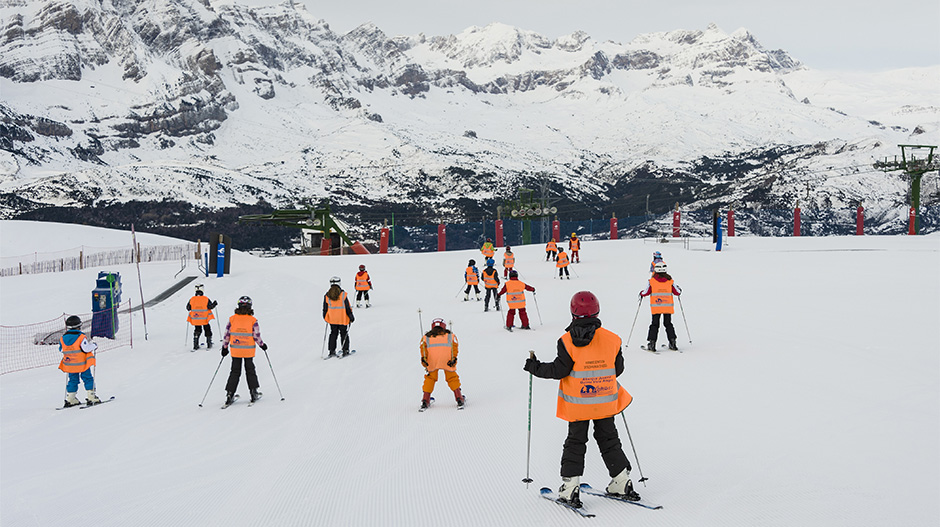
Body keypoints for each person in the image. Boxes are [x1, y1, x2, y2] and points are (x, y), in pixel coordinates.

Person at [523, 291, 639, 508]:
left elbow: (559, 370)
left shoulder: (566, 341)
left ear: (573, 312)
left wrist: (534, 367)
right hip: (605, 402)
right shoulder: (612, 339)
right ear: (597, 311)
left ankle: (570, 488)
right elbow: (618, 369)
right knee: (609, 439)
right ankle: (622, 482)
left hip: (578, 405)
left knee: (576, 442)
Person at [221, 296, 267, 405]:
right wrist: (262, 345)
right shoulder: (252, 320)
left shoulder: (232, 319)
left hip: (236, 350)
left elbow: (227, 334)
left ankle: (230, 393)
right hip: (248, 351)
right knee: (250, 370)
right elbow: (256, 335)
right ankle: (253, 392)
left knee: (235, 371)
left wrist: (224, 347)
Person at [419, 318, 465, 410]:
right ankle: (459, 398)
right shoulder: (450, 336)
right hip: (447, 361)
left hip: (432, 361)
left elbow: (423, 350)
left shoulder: (426, 337)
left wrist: (424, 360)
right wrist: (454, 359)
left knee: (430, 378)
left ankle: (425, 400)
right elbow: (454, 348)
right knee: (452, 377)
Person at [58, 315, 101, 407]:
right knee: (87, 378)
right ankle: (91, 397)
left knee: (73, 380)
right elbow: (85, 349)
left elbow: (61, 349)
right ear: (79, 326)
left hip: (70, 364)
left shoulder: (63, 338)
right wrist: (94, 345)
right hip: (82, 363)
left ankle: (71, 398)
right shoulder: (81, 336)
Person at [639, 262, 682, 351]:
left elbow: (645, 292)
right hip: (667, 307)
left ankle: (652, 343)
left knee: (655, 324)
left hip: (656, 307)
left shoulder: (651, 281)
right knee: (668, 324)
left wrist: (641, 293)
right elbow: (677, 292)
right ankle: (672, 342)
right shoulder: (670, 281)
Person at [323, 276, 355, 357]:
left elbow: (325, 308)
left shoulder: (327, 295)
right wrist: (351, 317)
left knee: (333, 334)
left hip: (332, 319)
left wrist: (325, 317)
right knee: (344, 333)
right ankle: (345, 350)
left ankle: (332, 351)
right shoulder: (343, 295)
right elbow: (347, 307)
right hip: (342, 318)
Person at [187, 284, 218, 350]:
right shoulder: (205, 299)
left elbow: (188, 308)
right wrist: (214, 304)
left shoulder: (192, 299)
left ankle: (195, 344)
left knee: (197, 329)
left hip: (195, 318)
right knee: (207, 329)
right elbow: (210, 307)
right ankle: (209, 343)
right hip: (204, 318)